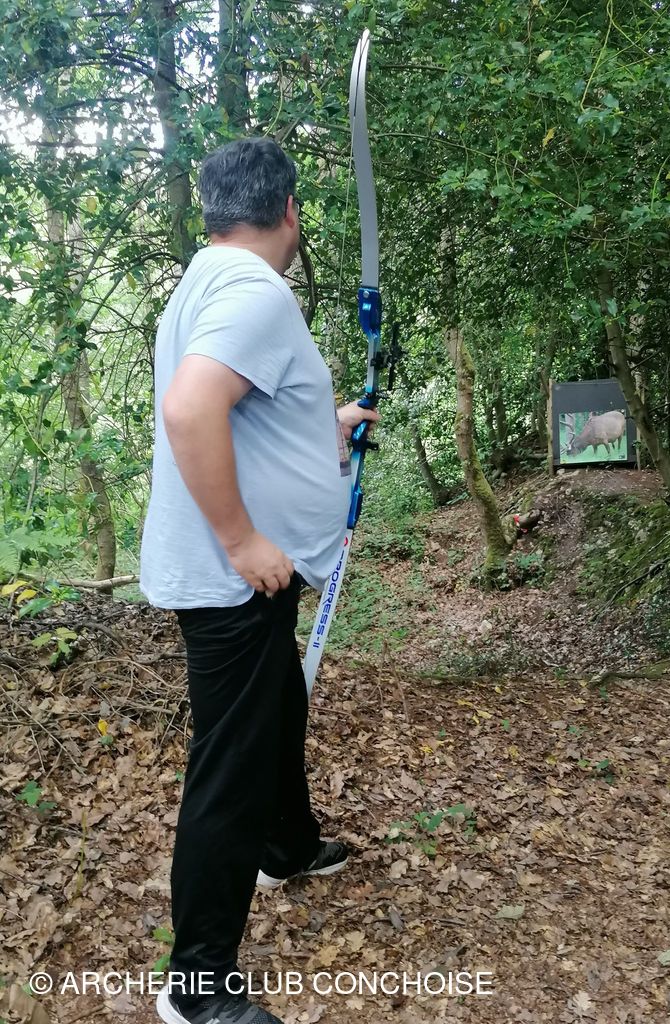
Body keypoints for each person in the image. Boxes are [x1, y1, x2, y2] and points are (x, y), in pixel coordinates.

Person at [139, 136, 379, 1024]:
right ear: (288, 211)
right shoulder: (253, 288)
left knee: (279, 704)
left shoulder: (206, 278)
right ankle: (197, 988)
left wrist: (329, 422)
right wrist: (242, 541)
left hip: (245, 584)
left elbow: (250, 414)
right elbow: (193, 407)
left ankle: (287, 846)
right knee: (230, 765)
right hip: (234, 582)